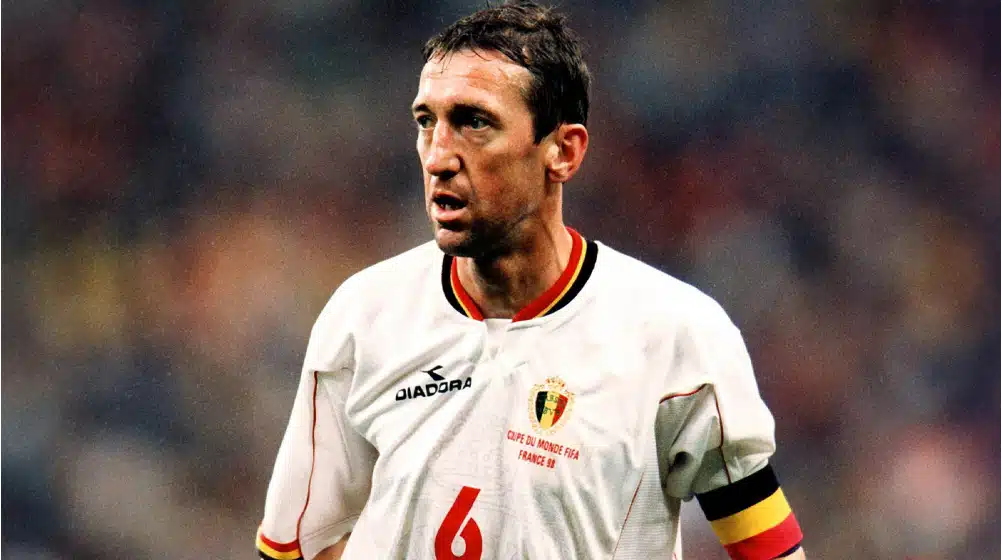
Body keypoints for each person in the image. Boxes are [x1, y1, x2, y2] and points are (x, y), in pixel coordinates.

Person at [256, 2, 806, 559]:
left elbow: (771, 551)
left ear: (563, 151)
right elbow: (293, 545)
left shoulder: (675, 338)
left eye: (474, 122)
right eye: (426, 122)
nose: (439, 156)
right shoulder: (364, 318)